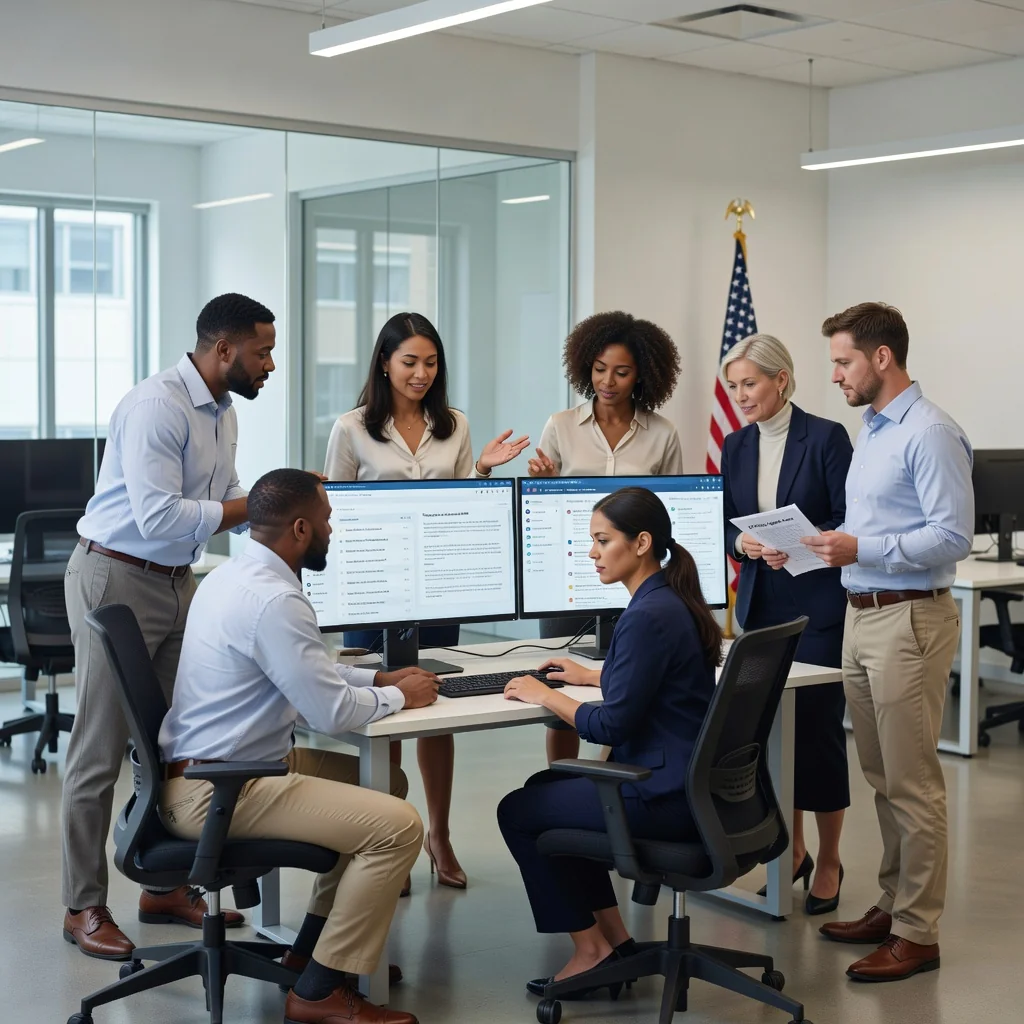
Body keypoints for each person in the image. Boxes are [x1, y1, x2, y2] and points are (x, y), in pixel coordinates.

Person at [159, 469, 437, 1024]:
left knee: (384, 783)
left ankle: (311, 951)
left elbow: (304, 669)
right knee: (400, 825)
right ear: (302, 528)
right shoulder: (275, 599)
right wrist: (402, 699)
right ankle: (319, 991)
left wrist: (377, 681)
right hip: (223, 787)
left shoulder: (231, 575)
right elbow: (329, 713)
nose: (333, 530)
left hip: (206, 771)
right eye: (329, 520)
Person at [62, 293, 276, 961]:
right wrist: (258, 504)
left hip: (177, 582)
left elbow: (227, 496)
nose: (270, 364)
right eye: (262, 351)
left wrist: (274, 524)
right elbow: (158, 518)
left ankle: (163, 888)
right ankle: (82, 904)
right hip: (114, 577)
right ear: (223, 351)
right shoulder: (158, 406)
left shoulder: (224, 411)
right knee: (99, 749)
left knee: (177, 742)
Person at [323, 311, 528, 891]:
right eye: (409, 361)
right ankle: (384, 839)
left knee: (439, 712)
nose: (420, 373)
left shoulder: (453, 425)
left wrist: (483, 469)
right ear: (384, 363)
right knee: (380, 712)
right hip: (373, 591)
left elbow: (466, 506)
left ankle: (438, 835)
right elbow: (332, 511)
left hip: (436, 588)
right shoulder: (352, 428)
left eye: (430, 362)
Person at [803, 302, 972, 982]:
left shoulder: (929, 432)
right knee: (880, 776)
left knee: (914, 783)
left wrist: (860, 546)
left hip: (909, 619)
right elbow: (866, 527)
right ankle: (893, 902)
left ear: (881, 358)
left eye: (843, 361)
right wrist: (816, 549)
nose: (836, 375)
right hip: (861, 613)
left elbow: (951, 535)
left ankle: (918, 933)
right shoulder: (871, 431)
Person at [496, 486, 720, 996]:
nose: (591, 552)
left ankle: (590, 949)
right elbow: (660, 682)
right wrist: (594, 675)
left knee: (518, 810)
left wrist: (545, 695)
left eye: (602, 540)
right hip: (692, 788)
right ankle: (615, 941)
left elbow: (611, 726)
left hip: (660, 796)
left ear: (641, 543)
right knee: (544, 788)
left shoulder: (645, 616)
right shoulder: (669, 598)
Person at [720, 333, 853, 915]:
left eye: (749, 383)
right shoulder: (734, 445)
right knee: (768, 734)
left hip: (818, 608)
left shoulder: (826, 437)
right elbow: (724, 526)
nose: (741, 395)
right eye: (733, 386)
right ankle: (790, 850)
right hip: (760, 609)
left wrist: (801, 545)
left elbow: (850, 521)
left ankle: (829, 859)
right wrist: (744, 543)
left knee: (818, 735)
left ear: (781, 378)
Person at [527, 311, 684, 766]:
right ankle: (564, 780)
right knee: (560, 690)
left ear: (642, 375)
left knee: (624, 685)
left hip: (634, 577)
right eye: (599, 369)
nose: (607, 381)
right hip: (575, 571)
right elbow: (542, 505)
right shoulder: (560, 425)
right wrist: (547, 481)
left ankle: (604, 781)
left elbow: (670, 511)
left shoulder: (663, 433)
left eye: (621, 371)